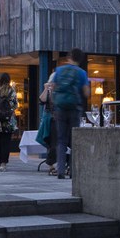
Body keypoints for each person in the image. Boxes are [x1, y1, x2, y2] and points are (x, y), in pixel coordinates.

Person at [51, 48, 90, 179]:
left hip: (60, 108)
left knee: (61, 140)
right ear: (80, 59)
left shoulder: (59, 70)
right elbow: (86, 93)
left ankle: (60, 170)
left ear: (69, 57)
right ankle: (73, 170)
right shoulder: (82, 73)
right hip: (74, 108)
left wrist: (56, 102)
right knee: (74, 140)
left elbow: (53, 87)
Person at [0, 72, 18, 171]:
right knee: (6, 143)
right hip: (8, 121)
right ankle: (3, 164)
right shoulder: (12, 91)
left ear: (0, 80)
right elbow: (15, 105)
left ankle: (0, 160)